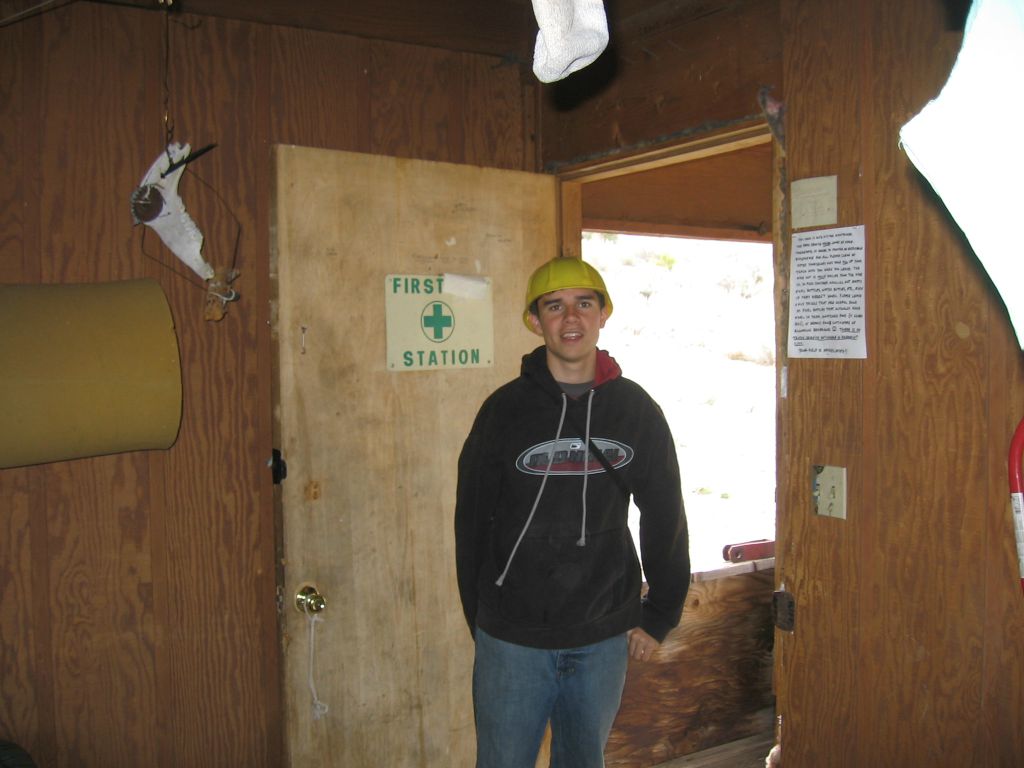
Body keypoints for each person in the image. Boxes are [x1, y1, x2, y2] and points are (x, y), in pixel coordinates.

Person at [455, 256, 690, 768]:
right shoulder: (504, 411)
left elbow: (665, 513)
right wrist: (482, 619)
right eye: (554, 307)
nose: (571, 319)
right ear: (536, 322)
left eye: (585, 304)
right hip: (512, 639)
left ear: (603, 314)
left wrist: (662, 612)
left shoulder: (636, 411)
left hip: (602, 635)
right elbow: (471, 521)